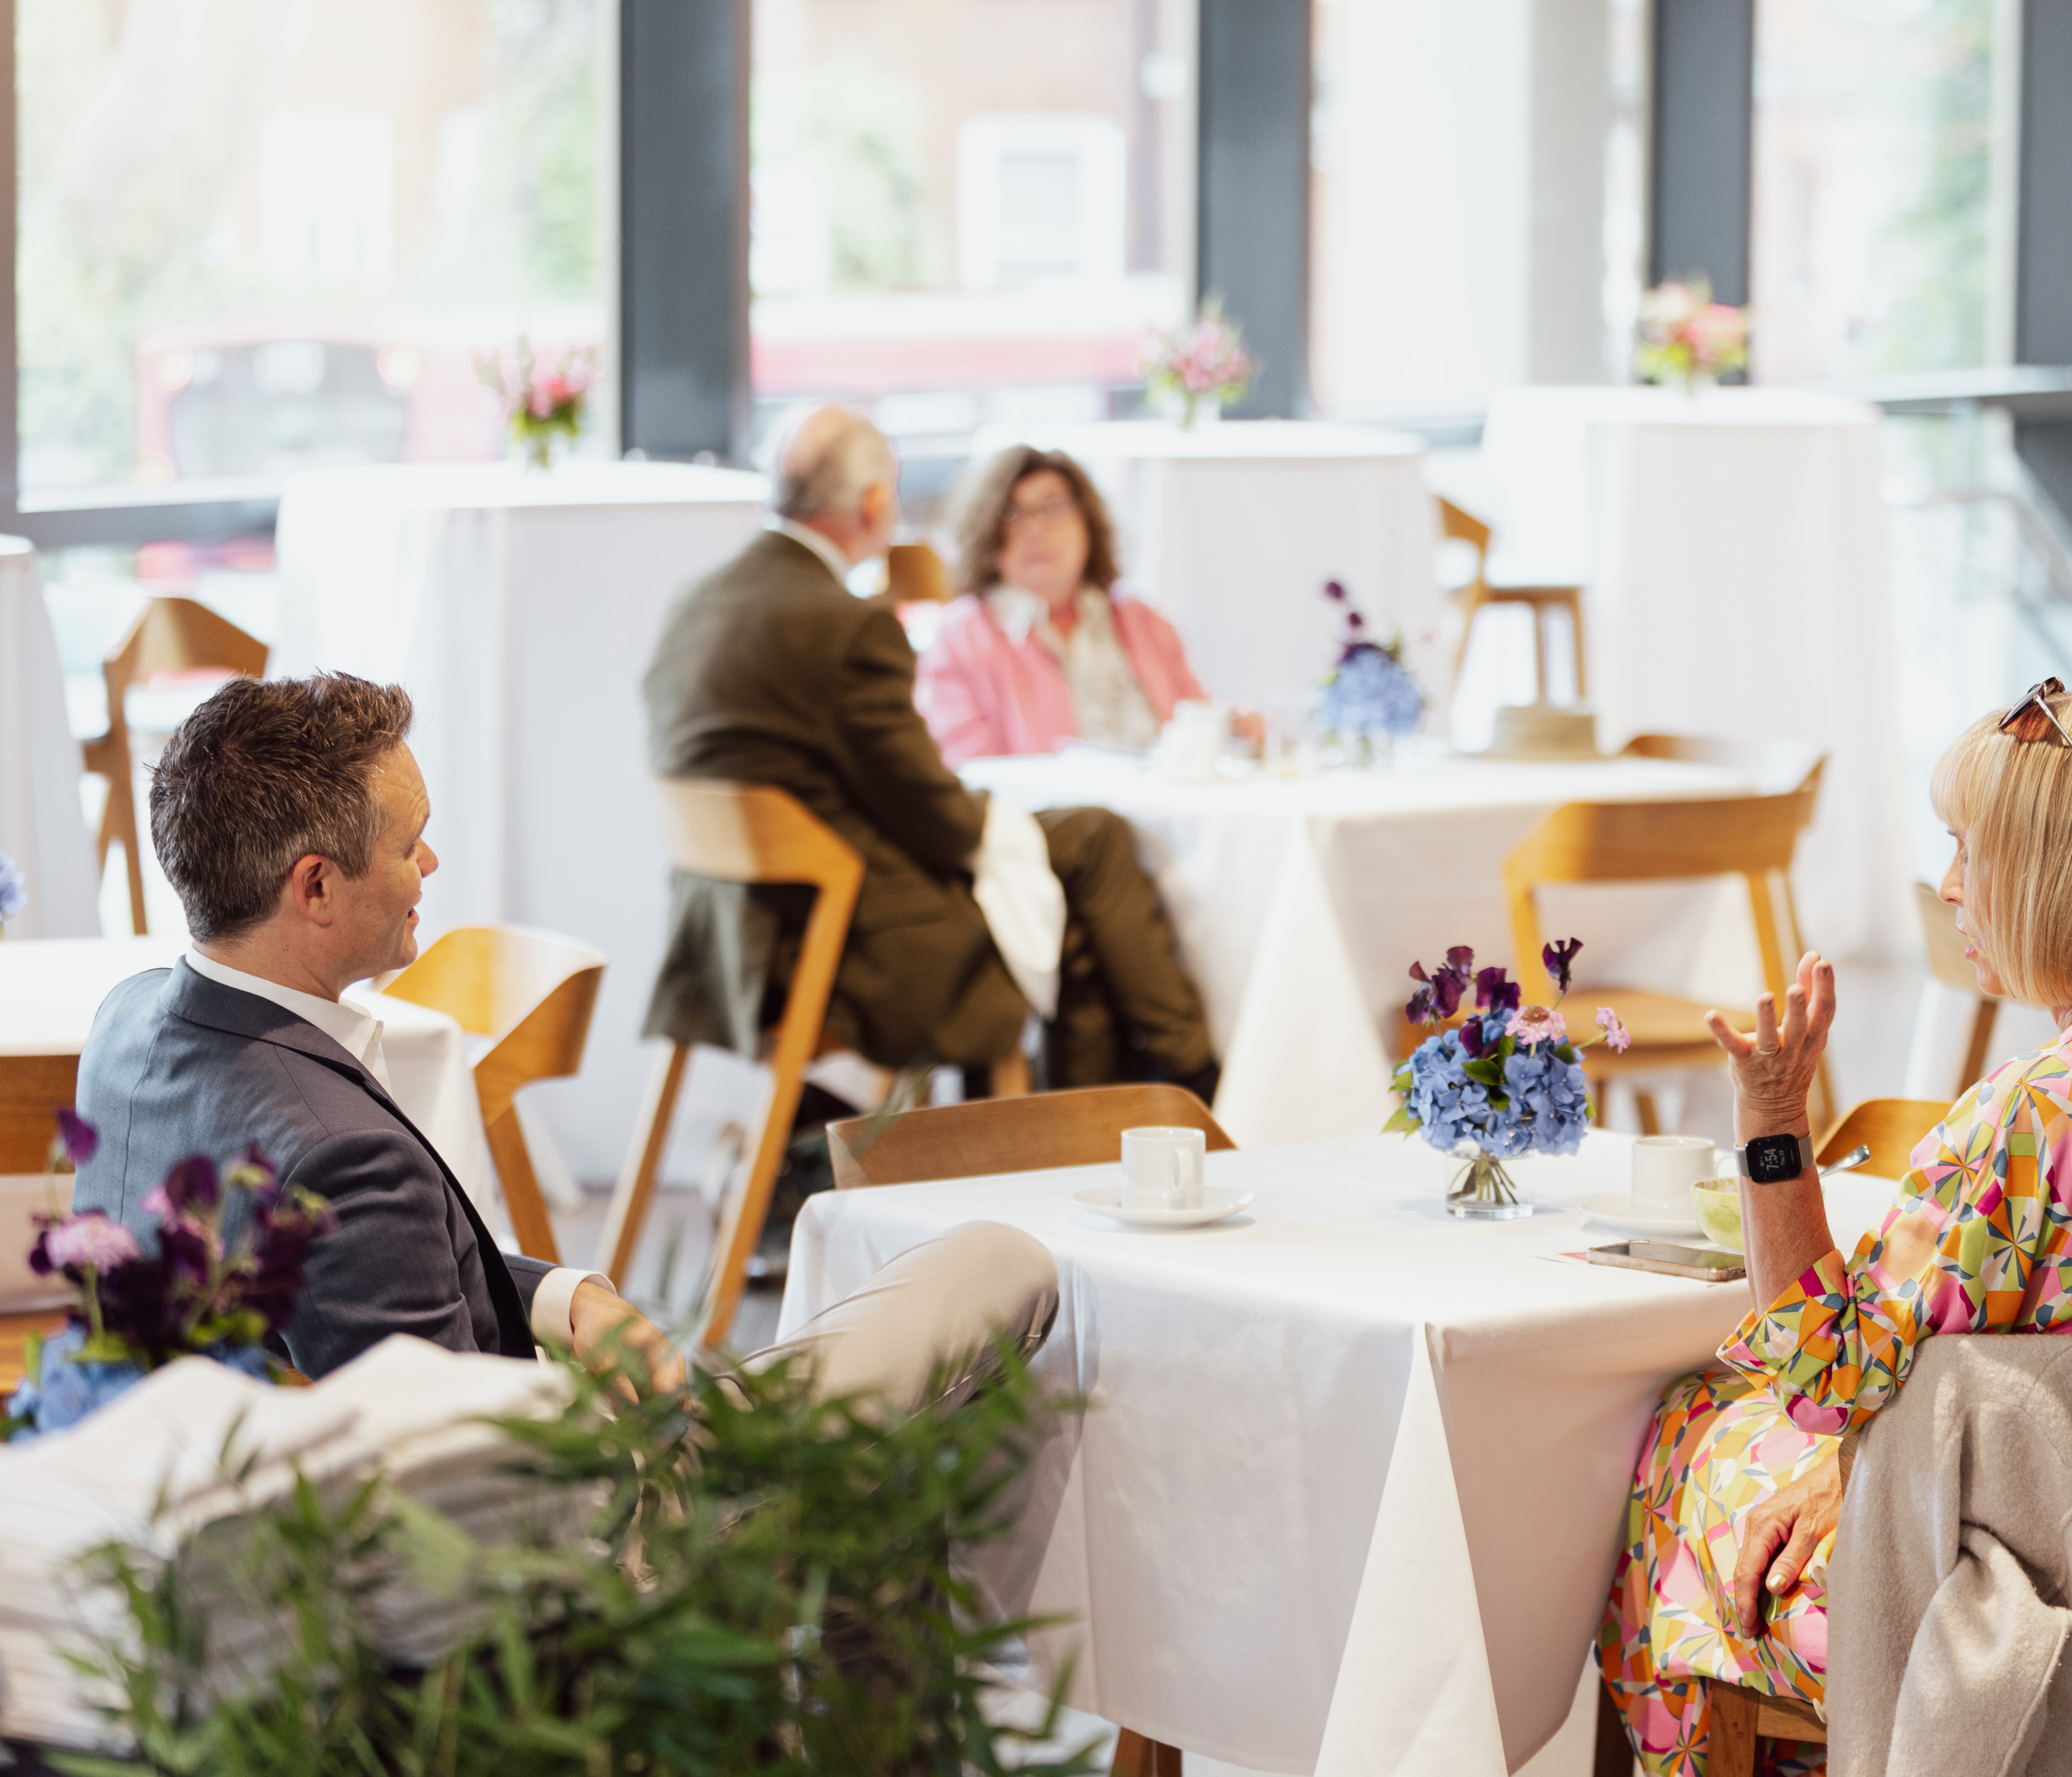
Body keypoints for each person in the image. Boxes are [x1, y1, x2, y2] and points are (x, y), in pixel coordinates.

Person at [1598, 683, 2072, 1776]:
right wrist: (1859, 1466)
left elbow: (1827, 1375)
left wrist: (1773, 1125)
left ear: (2054, 876)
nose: (1948, 890)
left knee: (1686, 1433)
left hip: (2037, 1623)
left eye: (1968, 852)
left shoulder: (2032, 1117)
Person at [73, 674, 685, 1388]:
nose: (430, 865)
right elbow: (454, 1462)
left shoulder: (125, 1016)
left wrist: (561, 1295)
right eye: (410, 844)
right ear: (317, 888)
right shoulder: (344, 1157)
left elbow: (368, 1273)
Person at [642, 407, 1218, 1100]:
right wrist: (997, 832)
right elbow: (935, 812)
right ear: (876, 502)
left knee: (1080, 878)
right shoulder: (847, 625)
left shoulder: (696, 601)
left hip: (728, 934)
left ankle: (1129, 1113)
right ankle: (1187, 1082)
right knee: (1090, 849)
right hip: (844, 944)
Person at [917, 446, 1251, 760]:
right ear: (988, 534)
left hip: (1165, 807)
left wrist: (1235, 730)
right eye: (1012, 514)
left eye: (1053, 509)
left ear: (1088, 523)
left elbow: (1196, 720)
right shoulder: (962, 637)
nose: (1035, 530)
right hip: (1054, 818)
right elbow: (968, 769)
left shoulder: (1141, 619)